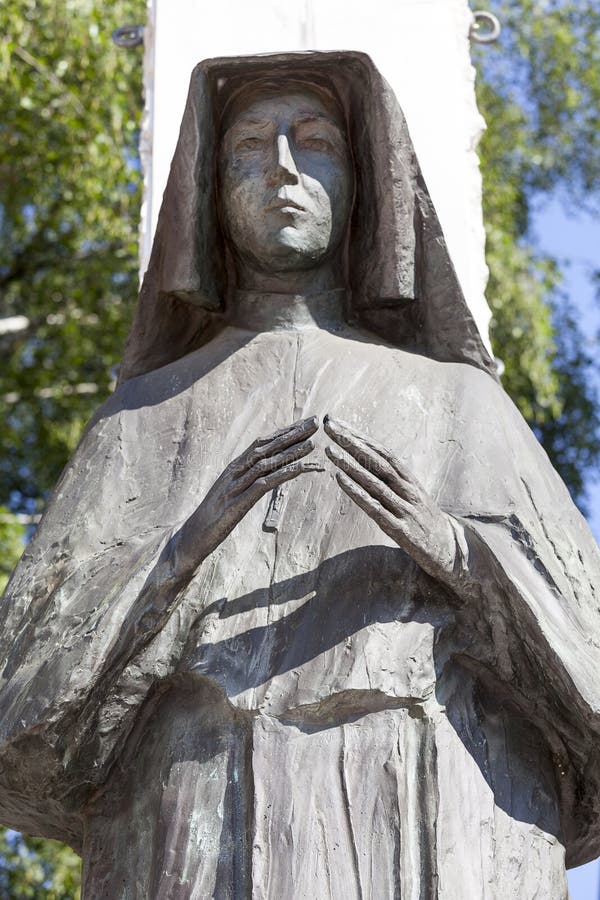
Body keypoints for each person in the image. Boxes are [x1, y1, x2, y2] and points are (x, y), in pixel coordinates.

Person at [1, 51, 599, 899]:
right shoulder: (145, 415)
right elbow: (22, 692)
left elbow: (588, 653)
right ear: (212, 187)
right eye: (250, 145)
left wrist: (459, 556)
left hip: (425, 803)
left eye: (314, 141)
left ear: (364, 188)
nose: (283, 166)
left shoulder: (461, 404)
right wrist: (183, 549)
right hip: (192, 816)